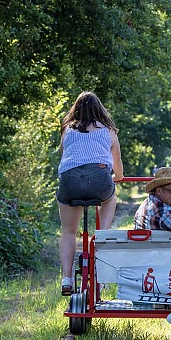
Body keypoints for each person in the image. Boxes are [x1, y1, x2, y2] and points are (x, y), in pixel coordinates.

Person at [57, 91, 124, 295]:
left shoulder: (67, 129)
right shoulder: (109, 131)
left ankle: (67, 278)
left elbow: (66, 157)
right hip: (99, 181)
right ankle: (101, 235)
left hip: (70, 181)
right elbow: (118, 167)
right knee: (110, 197)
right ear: (99, 110)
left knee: (68, 231)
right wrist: (117, 178)